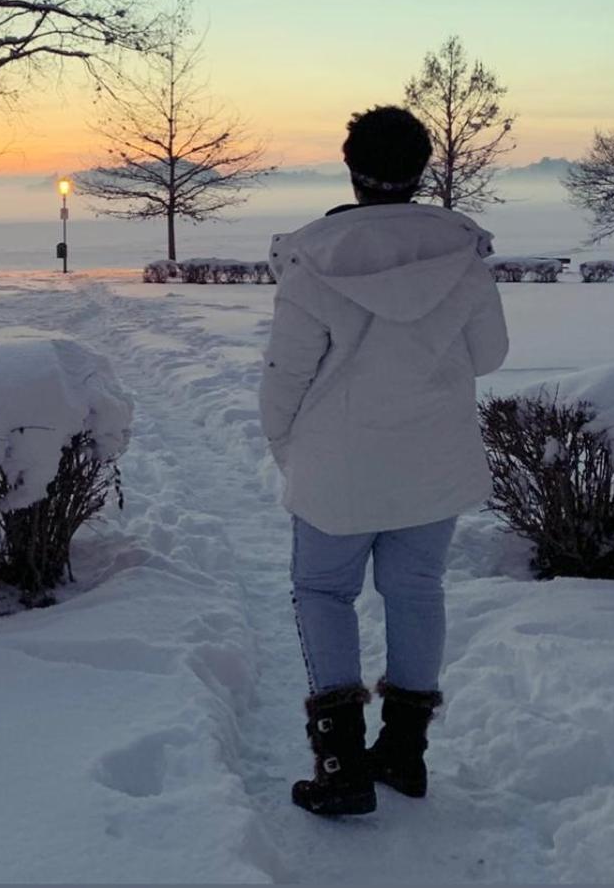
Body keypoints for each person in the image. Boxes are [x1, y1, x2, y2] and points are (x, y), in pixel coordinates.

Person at [260, 105, 509, 817]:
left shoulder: (315, 263)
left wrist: (288, 450)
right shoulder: (459, 257)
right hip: (433, 462)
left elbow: (285, 377)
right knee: (416, 589)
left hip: (336, 471)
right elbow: (489, 355)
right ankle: (403, 752)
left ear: (352, 169)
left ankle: (340, 761)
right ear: (420, 170)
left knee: (322, 591)